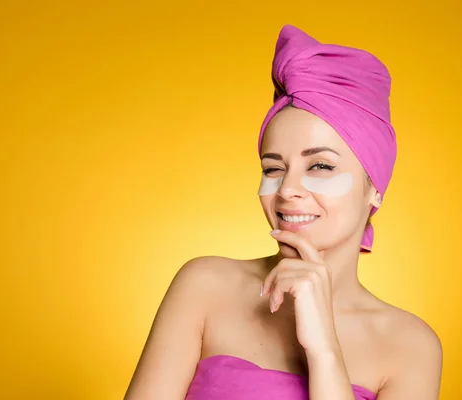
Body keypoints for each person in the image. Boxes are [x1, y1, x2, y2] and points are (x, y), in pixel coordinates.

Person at [124, 25, 443, 400]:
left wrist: (324, 350)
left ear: (375, 188)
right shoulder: (205, 286)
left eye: (321, 166)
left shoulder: (410, 347)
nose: (288, 189)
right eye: (273, 168)